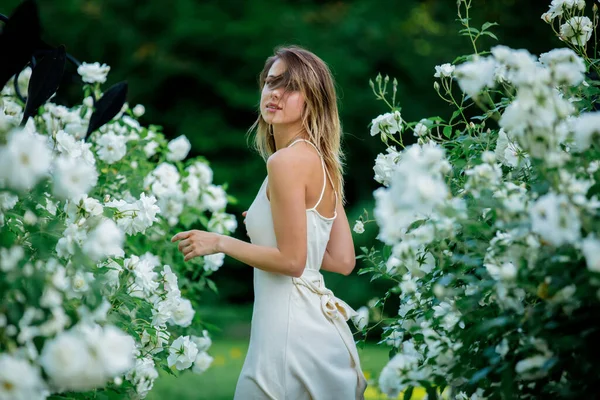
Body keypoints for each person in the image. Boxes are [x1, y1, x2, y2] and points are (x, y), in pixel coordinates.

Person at [171, 45, 367, 399]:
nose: (275, 92)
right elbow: (341, 260)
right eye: (271, 82)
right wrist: (269, 230)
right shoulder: (322, 161)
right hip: (316, 334)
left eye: (291, 87)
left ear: (313, 101)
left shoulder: (285, 163)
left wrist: (219, 242)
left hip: (286, 337)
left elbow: (293, 263)